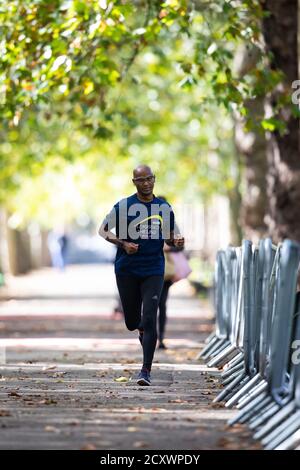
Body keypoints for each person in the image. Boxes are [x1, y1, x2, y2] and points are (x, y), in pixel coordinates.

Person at [98, 165, 184, 386]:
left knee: (150, 317)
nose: (146, 183)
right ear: (134, 182)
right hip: (127, 269)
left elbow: (170, 237)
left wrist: (177, 240)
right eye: (141, 180)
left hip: (154, 269)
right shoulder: (124, 206)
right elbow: (103, 230)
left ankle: (145, 370)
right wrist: (123, 243)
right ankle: (141, 330)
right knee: (132, 322)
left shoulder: (163, 207)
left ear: (154, 179)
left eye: (149, 179)